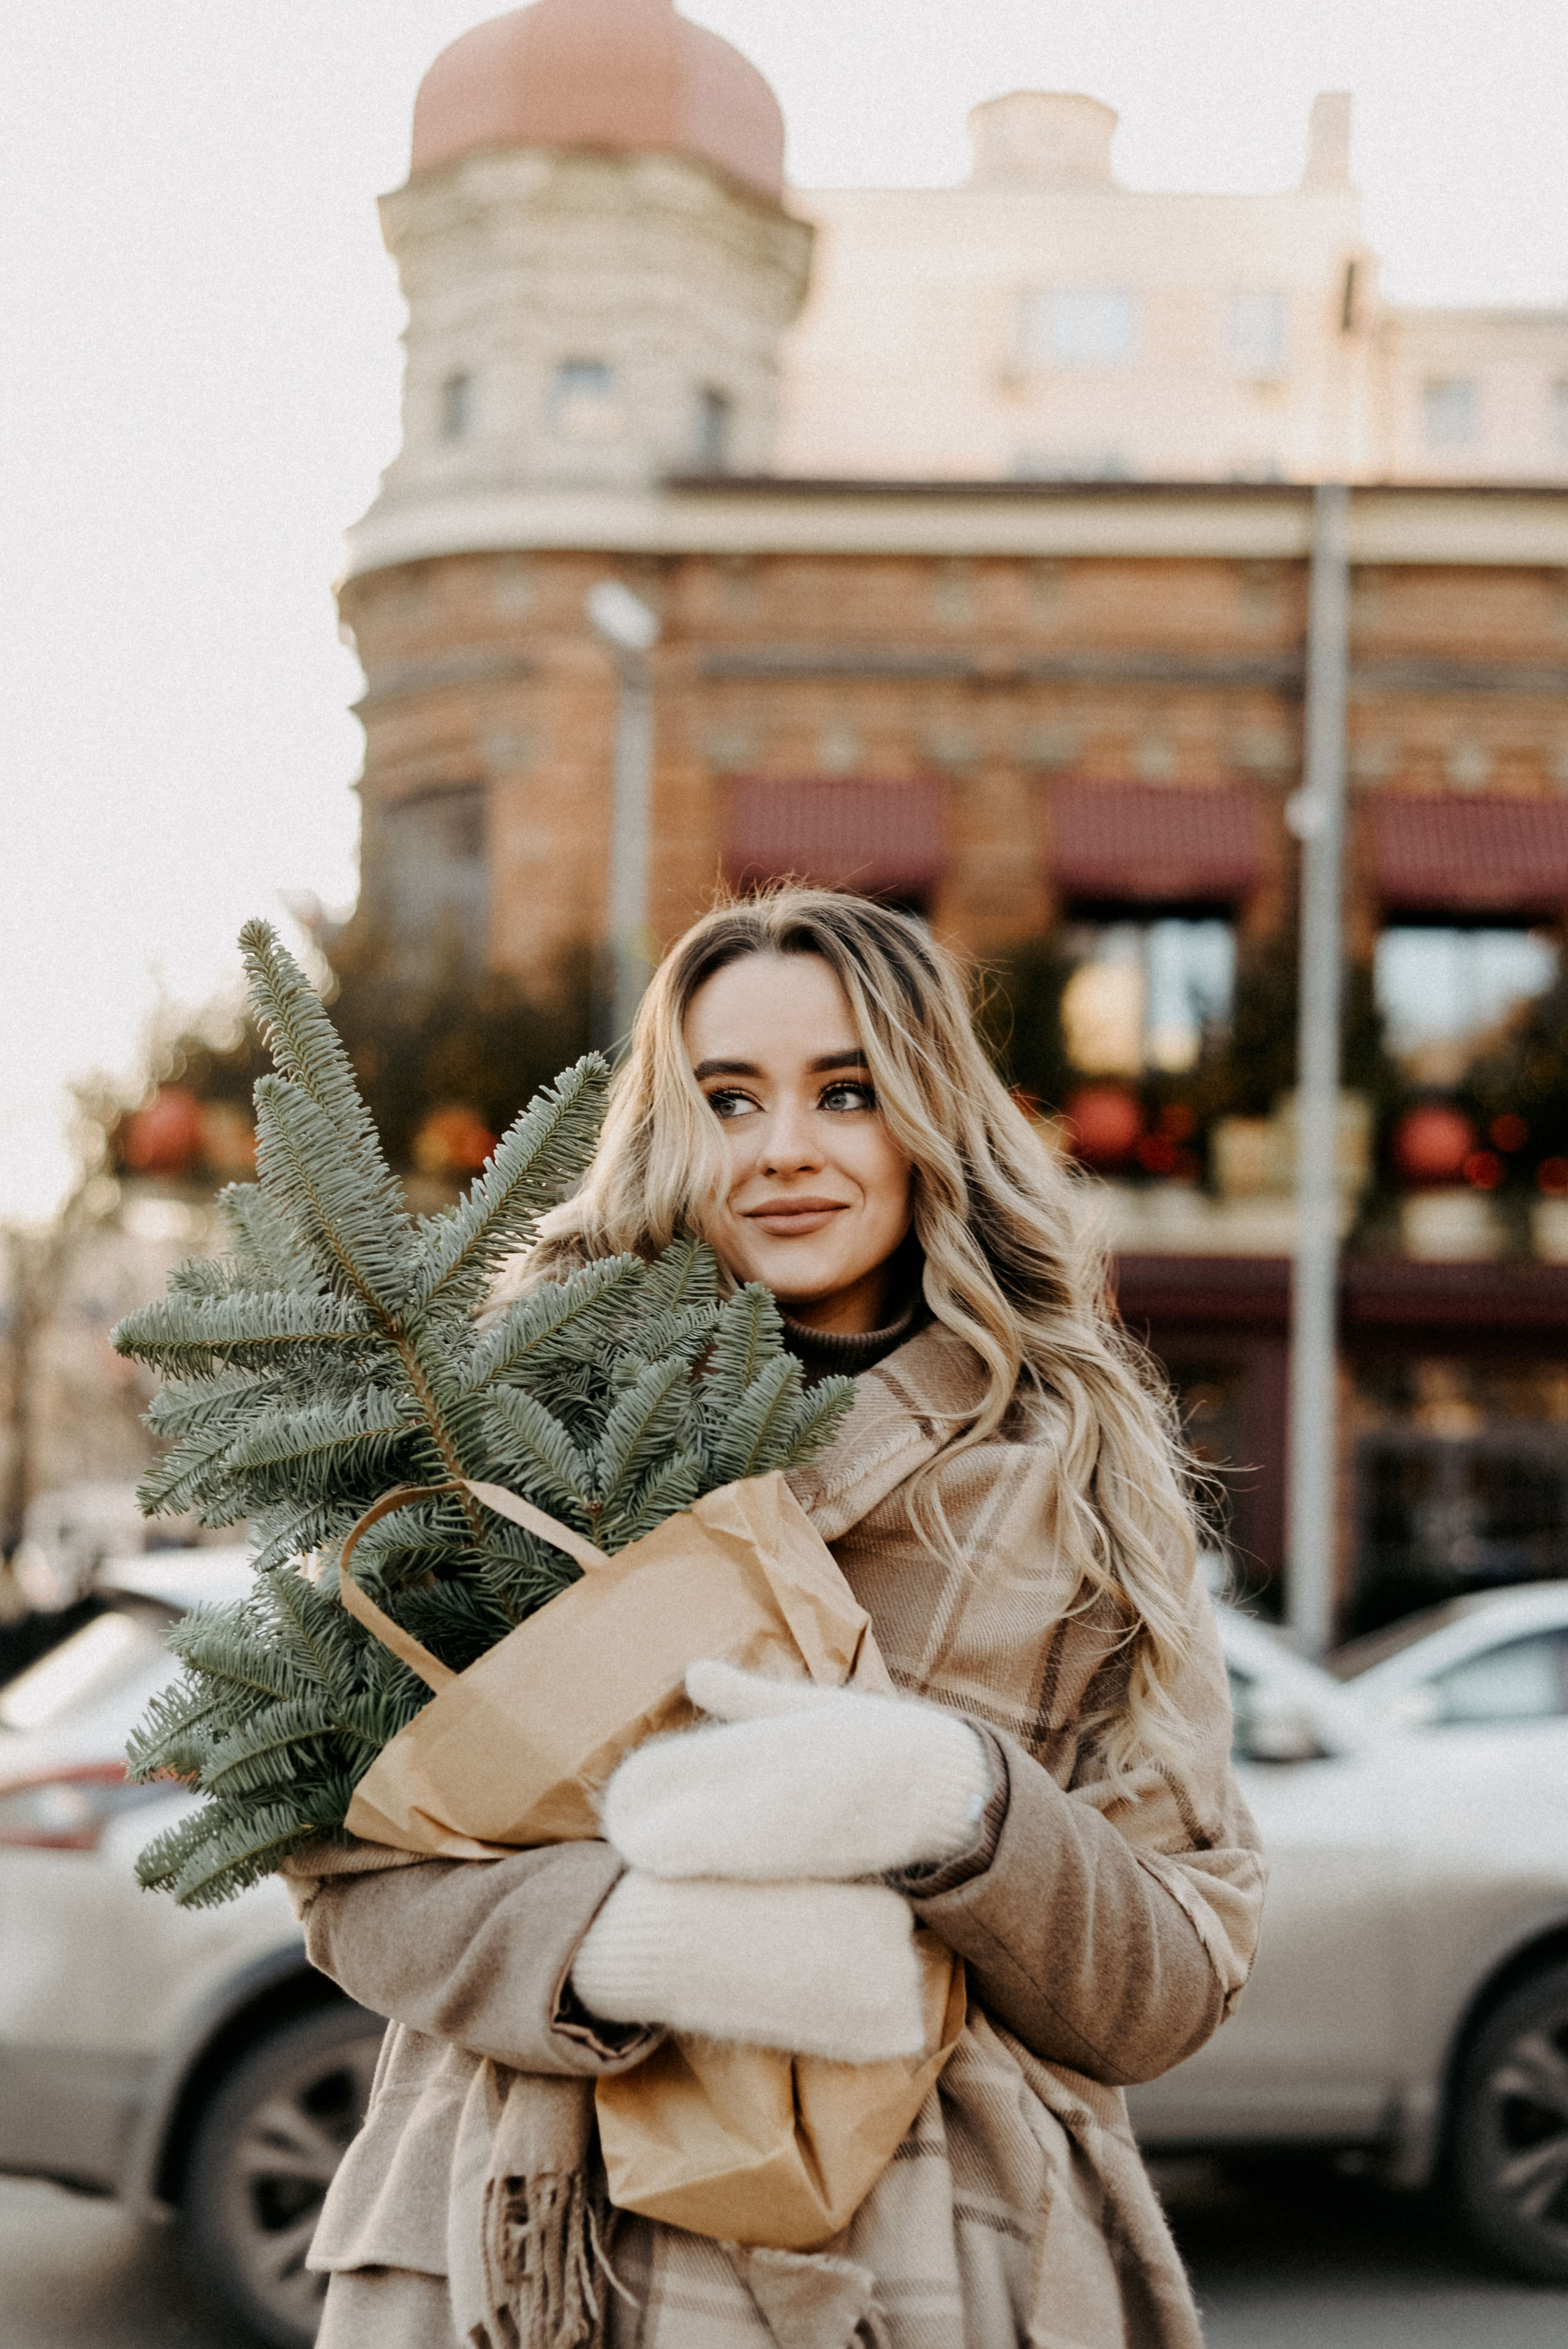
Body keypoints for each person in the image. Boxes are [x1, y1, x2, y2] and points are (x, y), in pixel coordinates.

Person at [290, 888, 1265, 2349]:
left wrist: (962, 1805)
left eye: (847, 1092)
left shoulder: (1077, 1482)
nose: (784, 1149)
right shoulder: (498, 1434)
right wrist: (611, 1945)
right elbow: (342, 1858)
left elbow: (1168, 1983)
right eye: (727, 1098)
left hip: (925, 2256)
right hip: (523, 2227)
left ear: (927, 1113)